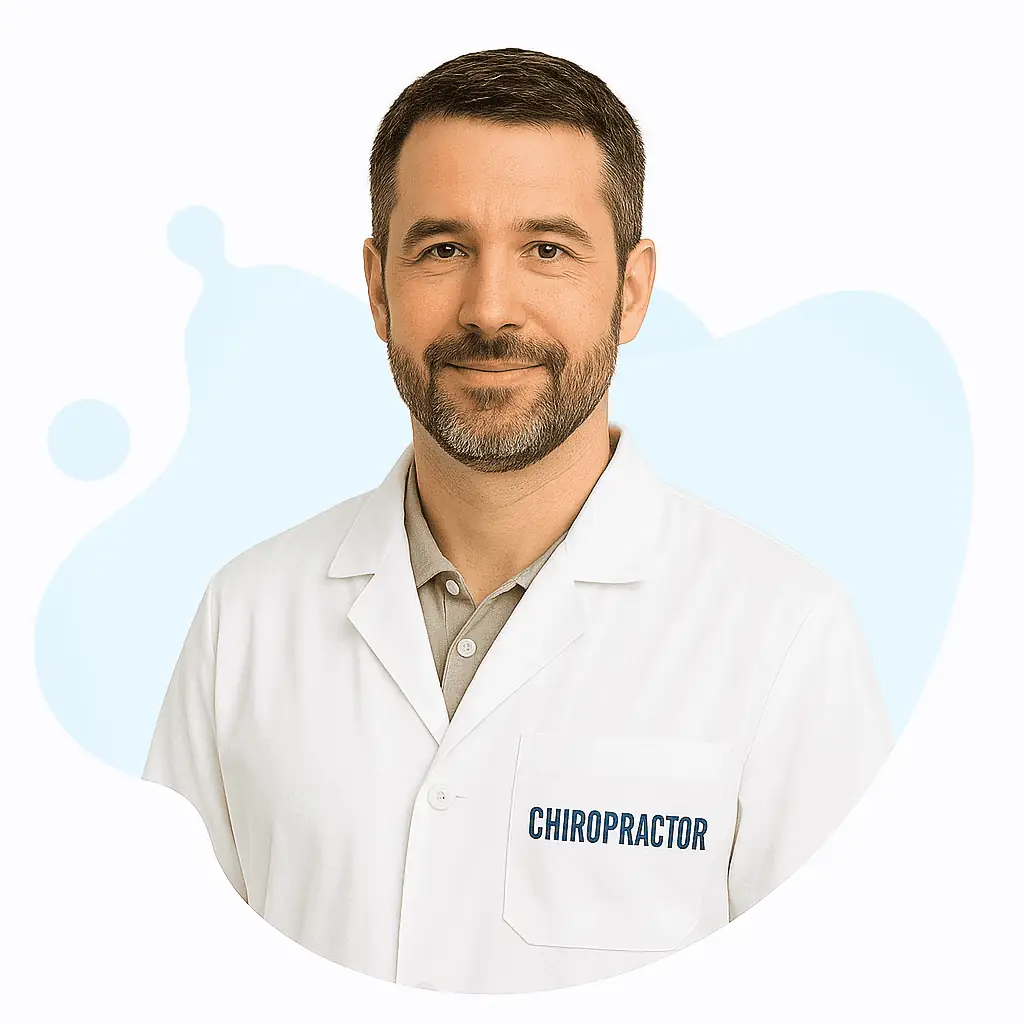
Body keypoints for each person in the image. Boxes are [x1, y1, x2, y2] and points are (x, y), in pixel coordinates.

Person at [142, 47, 892, 994]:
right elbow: (161, 970)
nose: (490, 310)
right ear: (377, 287)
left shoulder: (782, 633)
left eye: (548, 250)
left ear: (631, 289)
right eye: (442, 249)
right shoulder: (246, 618)